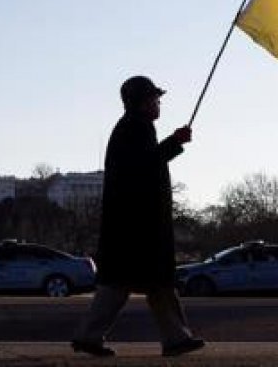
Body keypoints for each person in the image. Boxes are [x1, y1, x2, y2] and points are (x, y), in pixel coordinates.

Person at [71, 75, 205, 358]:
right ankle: (174, 338)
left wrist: (171, 144)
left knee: (135, 285)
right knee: (148, 284)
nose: (159, 104)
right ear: (142, 103)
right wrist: (174, 142)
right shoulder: (136, 129)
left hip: (130, 226)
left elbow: (144, 164)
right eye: (155, 99)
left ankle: (172, 338)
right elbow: (144, 166)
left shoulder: (132, 128)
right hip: (138, 226)